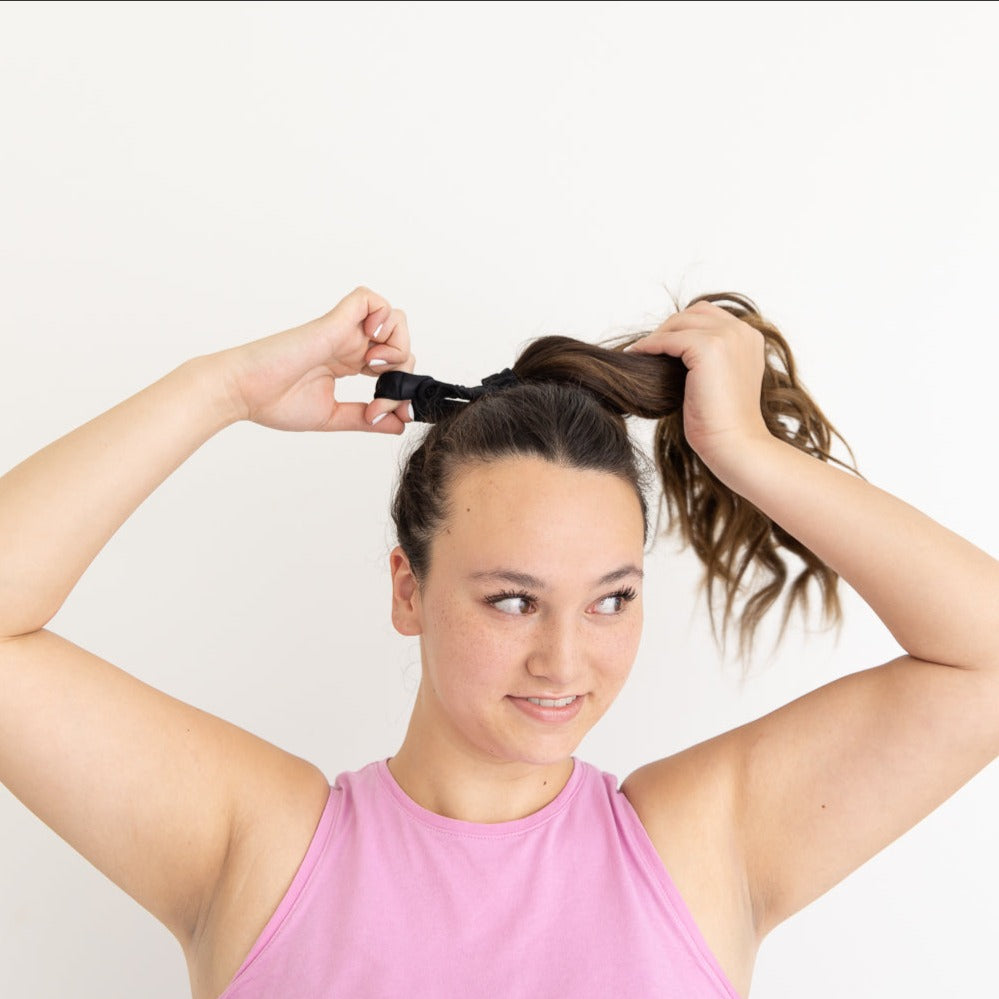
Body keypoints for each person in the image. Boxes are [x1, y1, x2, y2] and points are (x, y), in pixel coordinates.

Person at [0, 285, 996, 999]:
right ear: (409, 591)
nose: (565, 663)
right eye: (513, 602)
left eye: (610, 600)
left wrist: (742, 451)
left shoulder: (698, 847)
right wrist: (217, 389)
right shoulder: (262, 849)